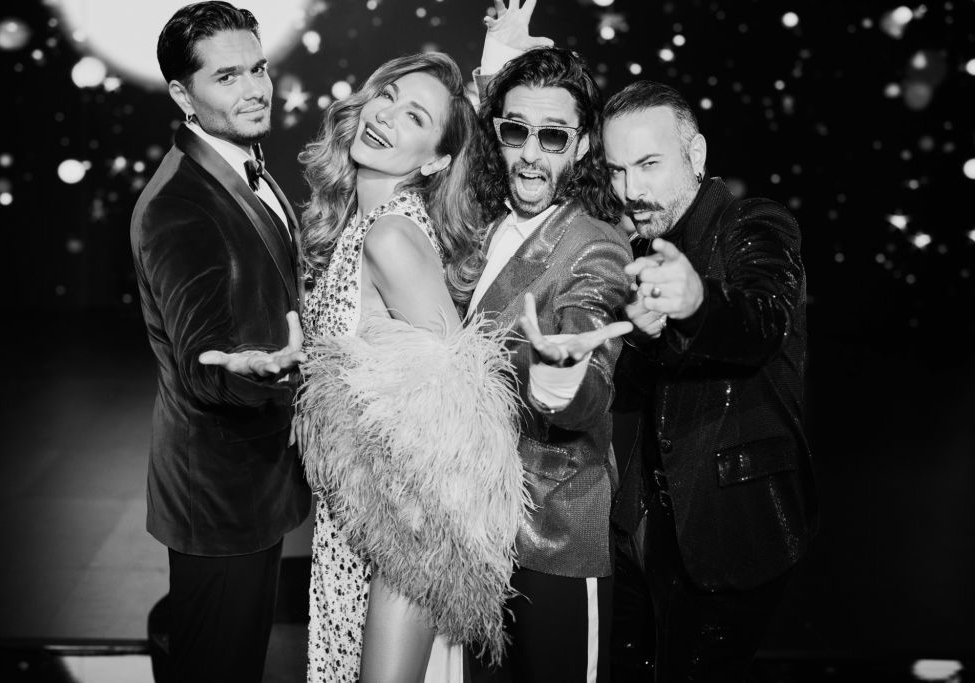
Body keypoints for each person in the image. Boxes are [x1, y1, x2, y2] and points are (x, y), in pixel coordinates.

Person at [292, 52, 530, 683]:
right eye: (388, 96)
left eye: (416, 117)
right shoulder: (361, 223)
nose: (386, 116)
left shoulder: (390, 236)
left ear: (436, 160)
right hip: (354, 524)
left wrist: (415, 546)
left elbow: (460, 405)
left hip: (402, 528)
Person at [604, 80, 819, 681]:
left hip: (730, 528)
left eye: (649, 164)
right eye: (618, 170)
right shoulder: (637, 245)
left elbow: (764, 320)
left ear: (695, 155)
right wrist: (638, 337)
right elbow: (635, 393)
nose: (632, 189)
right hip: (638, 529)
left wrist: (698, 302)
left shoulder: (754, 222)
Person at [129, 3, 311, 681]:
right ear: (184, 94)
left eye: (258, 69)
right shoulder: (180, 205)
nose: (256, 88)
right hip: (218, 496)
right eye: (228, 76)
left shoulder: (239, 163)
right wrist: (254, 370)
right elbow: (202, 363)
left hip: (251, 482)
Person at [467, 10, 634, 677]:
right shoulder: (483, 218)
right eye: (516, 131)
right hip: (475, 529)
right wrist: (493, 68)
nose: (531, 154)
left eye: (554, 136)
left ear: (583, 145)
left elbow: (589, 358)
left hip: (554, 532)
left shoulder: (596, 243)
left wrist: (563, 378)